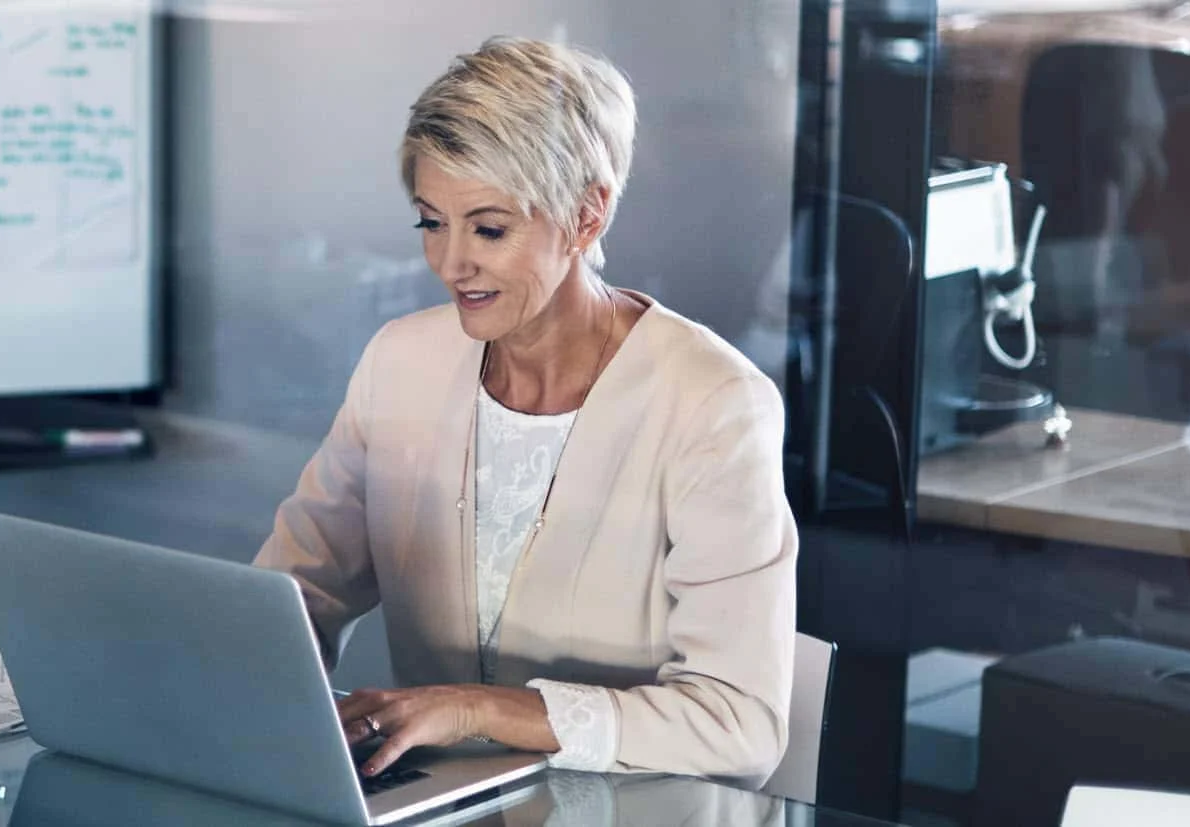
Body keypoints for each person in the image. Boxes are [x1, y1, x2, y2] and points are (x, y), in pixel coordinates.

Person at [253, 36, 798, 788]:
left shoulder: (712, 404)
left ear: (587, 215)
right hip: (432, 805)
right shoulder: (399, 363)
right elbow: (295, 592)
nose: (450, 263)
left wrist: (479, 709)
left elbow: (741, 724)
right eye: (431, 222)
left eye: (489, 227)